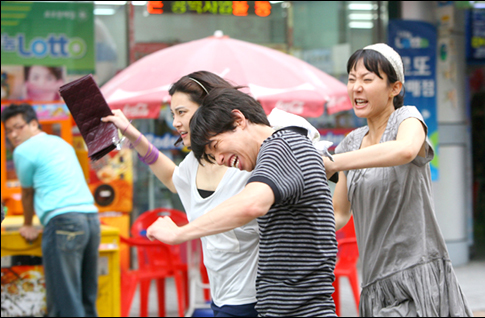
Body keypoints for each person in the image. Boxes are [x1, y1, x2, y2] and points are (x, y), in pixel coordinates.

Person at [146, 87, 338, 317]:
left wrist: (181, 233)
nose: (220, 160)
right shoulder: (278, 151)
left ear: (238, 120)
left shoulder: (283, 146)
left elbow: (251, 204)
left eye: (216, 146)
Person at [323, 43, 472, 316]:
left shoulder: (407, 119)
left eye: (368, 79)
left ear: (395, 88)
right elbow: (339, 213)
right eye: (352, 79)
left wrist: (333, 163)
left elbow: (404, 150)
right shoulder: (350, 143)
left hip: (417, 274)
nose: (357, 87)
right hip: (374, 281)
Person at [102, 71, 261, 317]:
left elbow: (253, 209)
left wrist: (180, 233)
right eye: (173, 114)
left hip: (259, 298)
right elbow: (172, 178)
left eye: (182, 112)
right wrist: (133, 135)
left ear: (209, 109)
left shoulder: (246, 161)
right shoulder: (194, 163)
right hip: (221, 297)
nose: (175, 122)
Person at [1, 104, 100, 317]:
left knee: (65, 302)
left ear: (34, 124)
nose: (13, 134)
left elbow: (27, 193)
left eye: (18, 127)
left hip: (63, 223)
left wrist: (27, 224)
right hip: (91, 220)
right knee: (86, 299)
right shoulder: (59, 143)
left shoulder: (23, 151)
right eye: (8, 131)